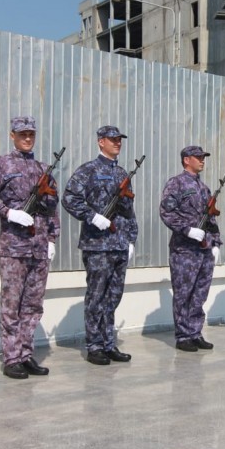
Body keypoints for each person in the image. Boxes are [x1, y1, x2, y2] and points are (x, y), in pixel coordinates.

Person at [0, 116, 60, 380]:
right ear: (12, 136)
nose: (27, 138)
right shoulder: (1, 165)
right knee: (12, 304)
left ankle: (25, 354)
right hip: (14, 247)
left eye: (31, 134)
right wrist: (7, 212)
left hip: (39, 247)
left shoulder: (43, 169)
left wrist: (52, 239)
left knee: (33, 305)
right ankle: (11, 358)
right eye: (22, 134)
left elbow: (53, 208)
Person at [62, 125, 138, 366]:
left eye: (119, 140)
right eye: (112, 139)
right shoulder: (88, 170)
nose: (117, 143)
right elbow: (69, 198)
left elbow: (129, 210)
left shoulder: (122, 173)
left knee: (113, 296)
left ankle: (108, 343)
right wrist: (92, 216)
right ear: (100, 142)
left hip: (119, 243)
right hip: (97, 245)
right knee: (96, 296)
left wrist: (131, 239)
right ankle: (94, 345)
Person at [159, 146, 222, 352]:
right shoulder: (176, 183)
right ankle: (183, 335)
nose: (202, 160)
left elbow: (211, 218)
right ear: (187, 160)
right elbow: (166, 212)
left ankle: (195, 332)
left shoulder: (204, 188)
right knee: (183, 293)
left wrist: (216, 242)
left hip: (204, 249)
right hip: (184, 250)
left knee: (200, 293)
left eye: (203, 157)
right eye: (198, 157)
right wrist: (187, 230)